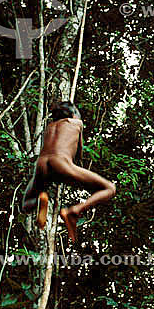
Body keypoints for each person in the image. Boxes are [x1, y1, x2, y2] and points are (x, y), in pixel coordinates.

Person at [22, 101, 116, 242]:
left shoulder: (49, 127)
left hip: (41, 164)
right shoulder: (76, 124)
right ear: (73, 114)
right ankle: (75, 211)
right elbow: (79, 154)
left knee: (25, 204)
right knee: (109, 188)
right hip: (60, 163)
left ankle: (40, 199)